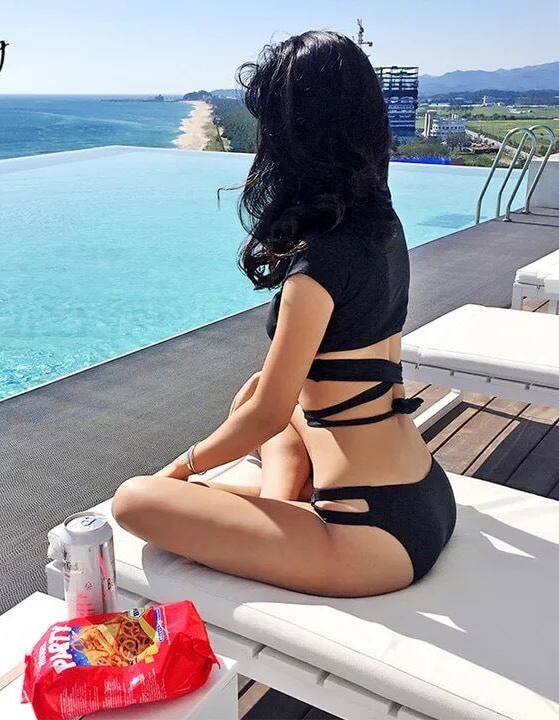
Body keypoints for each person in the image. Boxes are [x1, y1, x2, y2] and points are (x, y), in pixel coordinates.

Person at [112, 30, 456, 597]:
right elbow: (269, 404)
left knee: (135, 500)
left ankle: (279, 511)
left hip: (370, 532)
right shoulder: (382, 225)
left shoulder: (317, 266)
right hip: (425, 490)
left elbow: (267, 419)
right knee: (255, 389)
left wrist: (181, 468)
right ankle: (280, 503)